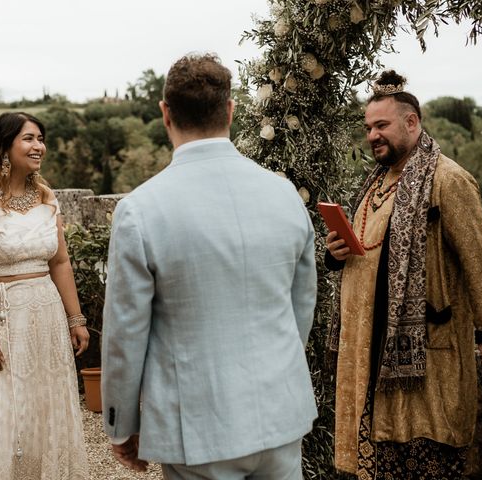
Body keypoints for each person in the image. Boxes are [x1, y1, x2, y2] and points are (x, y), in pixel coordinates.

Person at [102, 53, 318, 479]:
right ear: (231, 110)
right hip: (279, 412)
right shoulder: (285, 195)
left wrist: (121, 424)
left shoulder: (140, 210)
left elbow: (125, 332)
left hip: (197, 426)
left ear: (165, 114)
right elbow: (301, 309)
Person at [325, 71, 482, 479]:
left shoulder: (448, 180)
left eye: (382, 125)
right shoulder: (375, 184)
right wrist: (336, 254)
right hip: (374, 356)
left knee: (427, 460)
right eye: (369, 127)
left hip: (430, 356)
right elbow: (369, 252)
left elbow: (480, 257)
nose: (373, 135)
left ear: (412, 123)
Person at [0, 112, 90, 479]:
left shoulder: (45, 195)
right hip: (1, 319)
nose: (38, 146)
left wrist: (76, 318)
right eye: (28, 138)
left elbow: (60, 261)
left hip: (46, 318)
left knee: (45, 405)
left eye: (41, 138)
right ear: (5, 145)